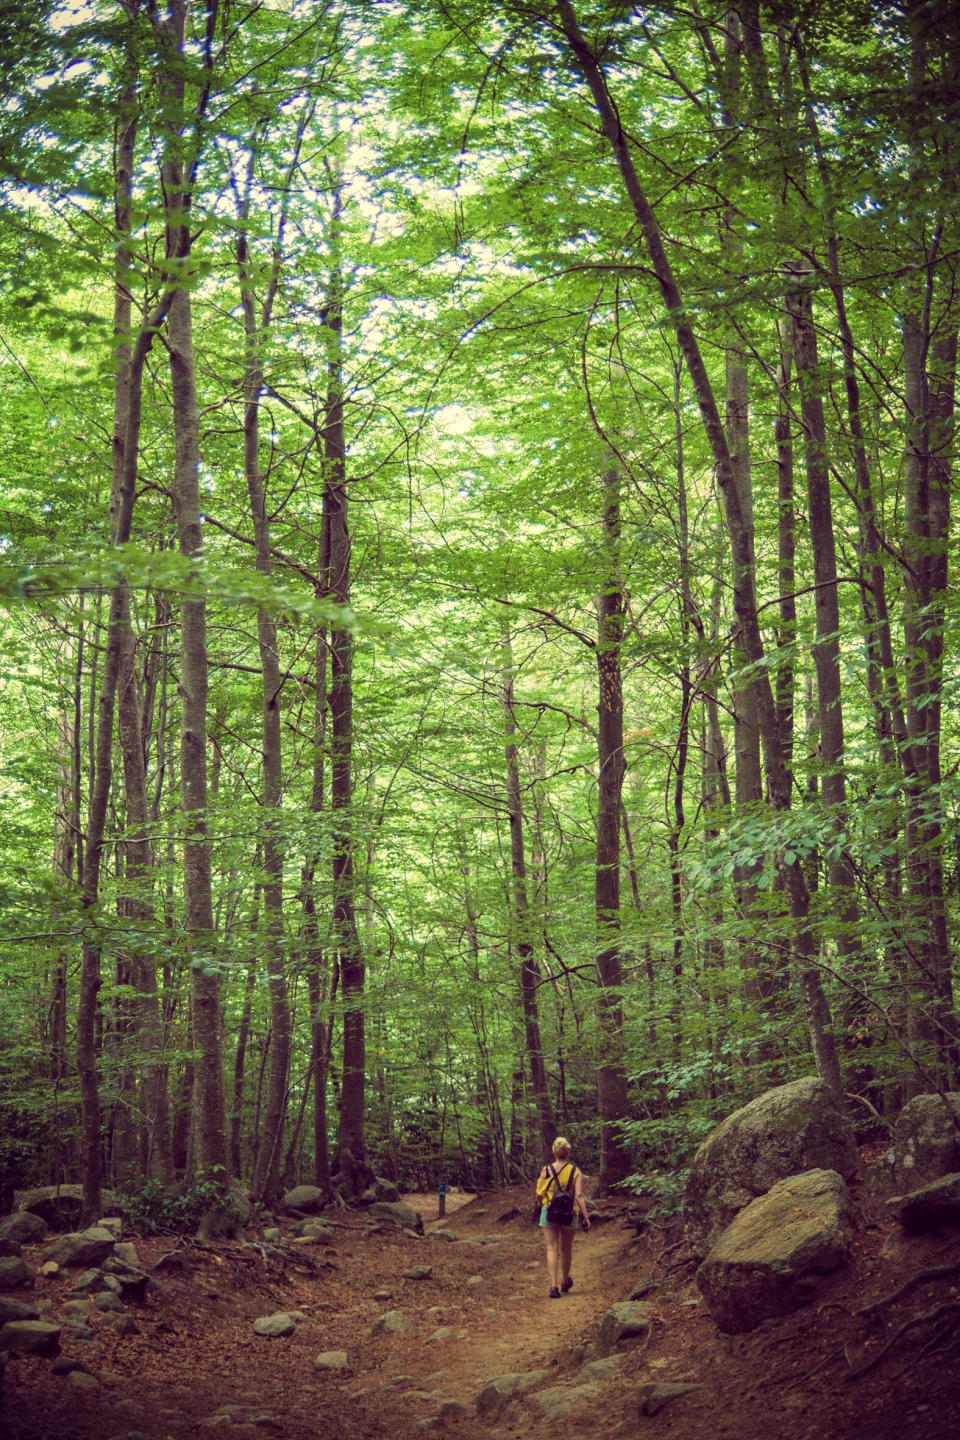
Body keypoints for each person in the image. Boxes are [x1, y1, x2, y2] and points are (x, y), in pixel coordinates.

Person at [535, 1135, 590, 1298]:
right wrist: (586, 1218)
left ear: (554, 1152)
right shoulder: (575, 1171)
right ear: (568, 1152)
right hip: (569, 1214)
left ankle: (553, 1287)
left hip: (549, 1212)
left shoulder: (546, 1170)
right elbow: (579, 1196)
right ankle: (565, 1281)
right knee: (566, 1249)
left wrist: (542, 1204)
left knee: (552, 1248)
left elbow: (539, 1194)